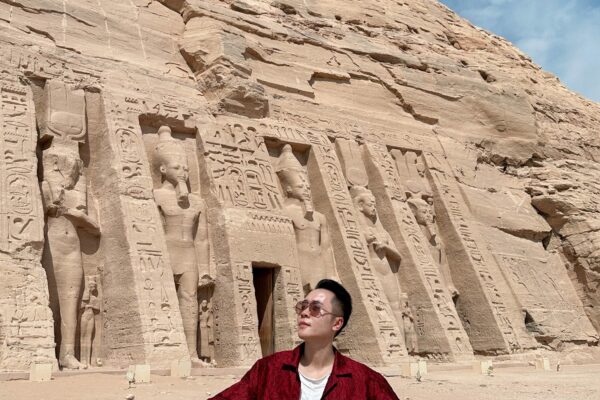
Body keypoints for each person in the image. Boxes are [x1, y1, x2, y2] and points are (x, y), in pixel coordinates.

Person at [209, 279, 400, 399]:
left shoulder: (367, 381)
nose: (305, 313)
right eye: (303, 306)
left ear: (337, 323)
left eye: (316, 308)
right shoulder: (268, 369)